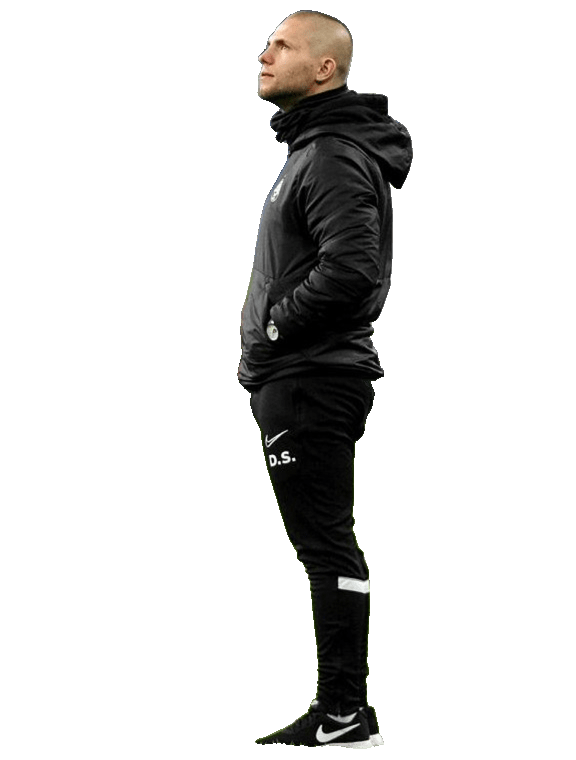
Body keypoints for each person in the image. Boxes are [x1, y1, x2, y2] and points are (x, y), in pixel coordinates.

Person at [238, 10, 412, 748]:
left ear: (325, 69)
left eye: (280, 45)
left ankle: (345, 714)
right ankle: (342, 711)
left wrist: (276, 329)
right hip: (305, 377)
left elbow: (352, 270)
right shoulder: (315, 150)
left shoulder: (333, 154)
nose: (263, 54)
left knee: (326, 548)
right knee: (325, 545)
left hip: (310, 376)